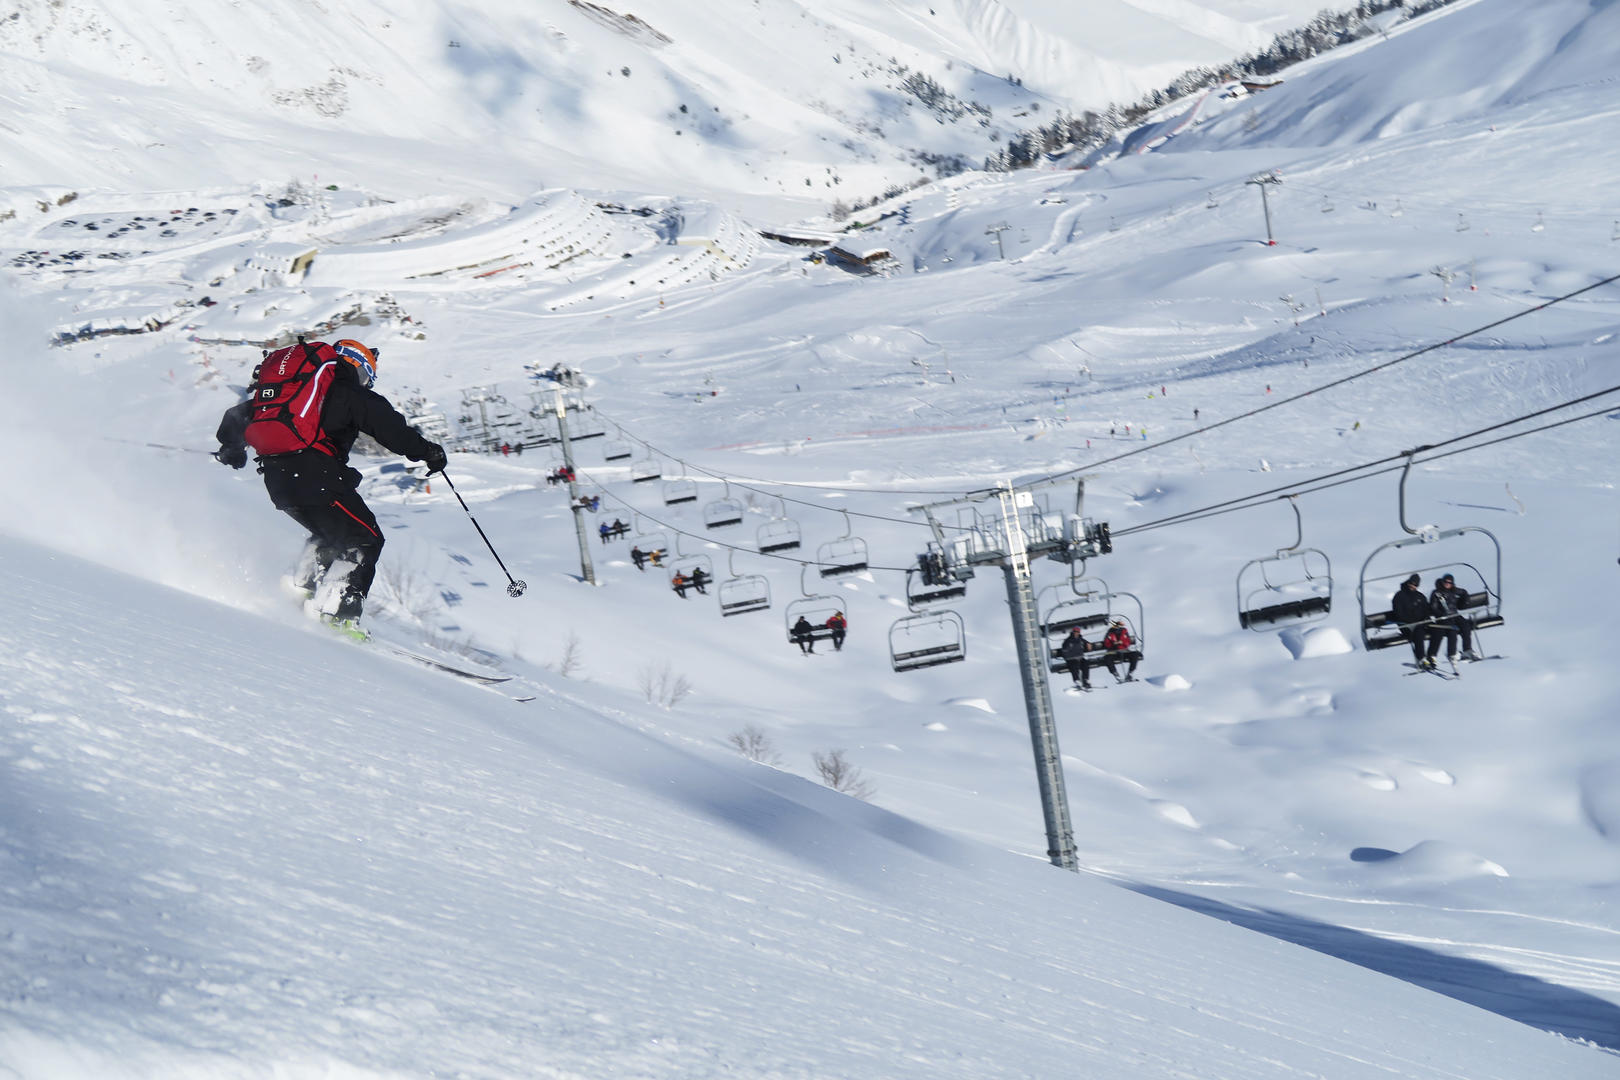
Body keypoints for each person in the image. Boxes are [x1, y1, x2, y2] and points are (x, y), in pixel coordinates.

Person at [214, 338, 446, 630]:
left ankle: (298, 589)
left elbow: (237, 416)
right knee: (364, 539)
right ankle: (336, 614)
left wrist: (232, 448)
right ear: (355, 366)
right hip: (316, 475)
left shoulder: (295, 391)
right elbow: (390, 428)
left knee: (331, 534)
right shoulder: (346, 391)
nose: (365, 384)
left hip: (278, 481)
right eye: (366, 377)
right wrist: (428, 452)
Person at [1426, 572, 1479, 664]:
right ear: (1442, 582)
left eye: (1450, 582)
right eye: (1446, 582)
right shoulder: (1436, 593)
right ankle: (1452, 653)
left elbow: (1463, 592)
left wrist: (1465, 600)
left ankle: (1467, 649)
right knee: (1452, 629)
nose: (1447, 584)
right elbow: (1433, 607)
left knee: (1466, 626)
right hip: (1443, 617)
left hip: (1454, 615)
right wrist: (1441, 614)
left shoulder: (1454, 590)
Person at [1390, 573, 1433, 667]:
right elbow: (1398, 614)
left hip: (1420, 624)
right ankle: (1421, 658)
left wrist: (1426, 620)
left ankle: (1432, 656)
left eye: (1415, 584)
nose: (1413, 586)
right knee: (1419, 632)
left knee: (1438, 630)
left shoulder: (1420, 596)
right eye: (1411, 583)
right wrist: (1414, 621)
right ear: (1408, 582)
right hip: (1406, 625)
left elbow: (1426, 610)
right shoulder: (1399, 596)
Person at [1101, 618, 1138, 683]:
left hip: (1124, 651)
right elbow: (1106, 643)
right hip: (1114, 652)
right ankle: (1115, 674)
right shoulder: (1110, 632)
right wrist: (1113, 644)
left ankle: (1130, 673)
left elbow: (1128, 641)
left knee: (1135, 654)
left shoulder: (1124, 631)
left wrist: (1122, 642)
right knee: (1107, 658)